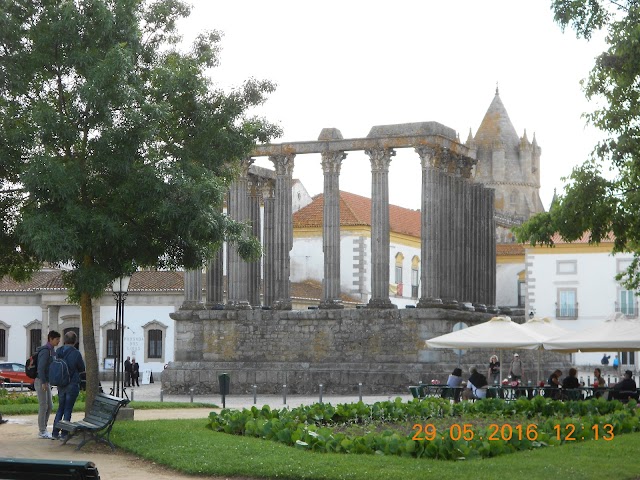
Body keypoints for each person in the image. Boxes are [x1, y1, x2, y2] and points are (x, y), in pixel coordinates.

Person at [52, 331, 85, 440]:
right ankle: (64, 433)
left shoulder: (58, 351)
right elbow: (81, 368)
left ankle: (55, 433)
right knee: (68, 409)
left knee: (60, 408)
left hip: (61, 383)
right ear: (75, 341)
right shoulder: (76, 353)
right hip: (72, 383)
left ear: (64, 340)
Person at [36, 330, 61, 439]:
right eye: (56, 339)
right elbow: (40, 368)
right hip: (41, 381)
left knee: (50, 405)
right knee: (43, 405)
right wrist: (43, 382)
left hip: (46, 381)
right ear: (50, 339)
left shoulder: (52, 350)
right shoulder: (45, 351)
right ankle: (42, 431)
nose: (58, 341)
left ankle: (44, 428)